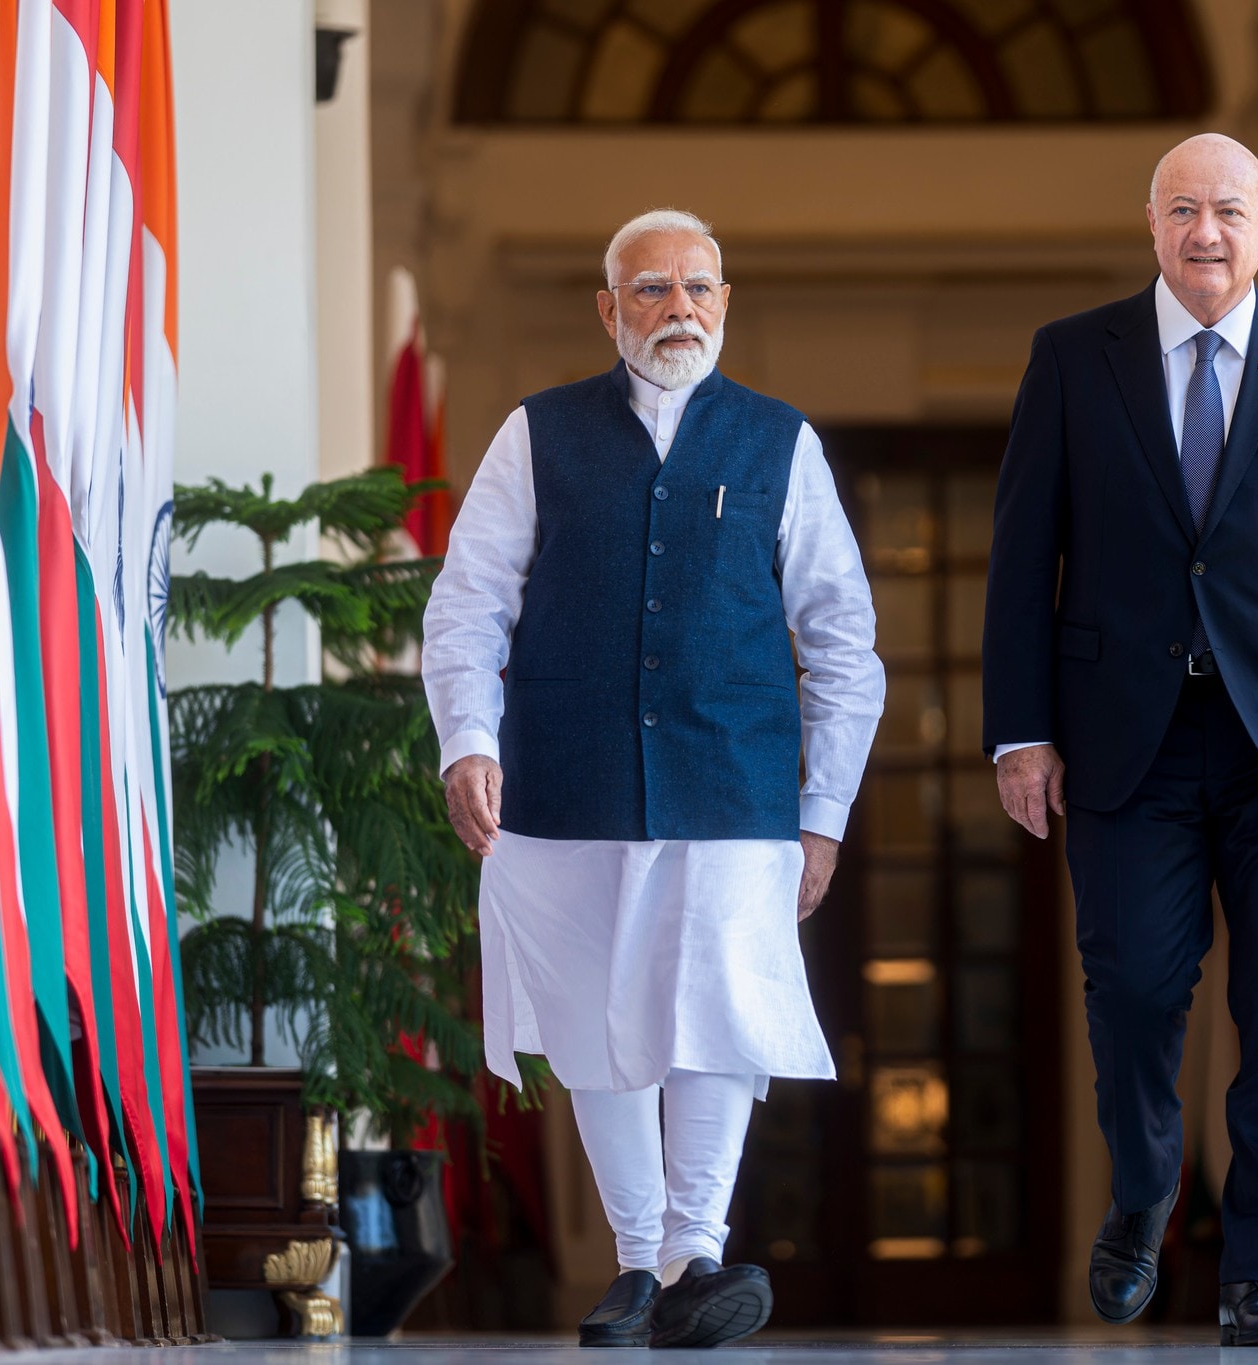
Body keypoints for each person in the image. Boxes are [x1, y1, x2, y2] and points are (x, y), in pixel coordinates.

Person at [981, 134, 1258, 1348]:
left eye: (1228, 211)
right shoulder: (1072, 361)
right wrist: (1017, 733)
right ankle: (1141, 1195)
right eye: (1182, 210)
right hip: (1121, 742)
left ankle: (1253, 1271)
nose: (1205, 233)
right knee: (1131, 992)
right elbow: (1023, 561)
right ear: (1149, 223)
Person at [422, 209, 882, 1349]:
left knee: (717, 1012)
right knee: (595, 1017)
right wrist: (465, 741)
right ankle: (644, 1264)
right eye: (650, 290)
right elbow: (467, 604)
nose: (678, 308)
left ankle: (693, 1250)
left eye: (698, 287)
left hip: (733, 784)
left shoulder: (780, 442)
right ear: (607, 307)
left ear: (724, 301)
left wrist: (822, 813)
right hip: (563, 781)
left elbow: (839, 639)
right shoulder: (538, 435)